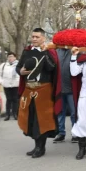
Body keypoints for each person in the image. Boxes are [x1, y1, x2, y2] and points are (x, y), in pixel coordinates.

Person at [16, 28, 62, 158]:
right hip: (28, 90)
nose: (34, 39)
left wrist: (45, 52)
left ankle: (40, 148)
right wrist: (20, 72)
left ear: (43, 38)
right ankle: (37, 146)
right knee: (31, 119)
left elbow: (51, 68)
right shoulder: (27, 52)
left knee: (41, 120)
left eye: (37, 37)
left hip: (44, 90)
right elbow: (19, 67)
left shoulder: (50, 52)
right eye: (33, 37)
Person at [53, 48, 77, 143]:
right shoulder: (57, 51)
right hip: (59, 88)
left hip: (72, 88)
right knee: (60, 112)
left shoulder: (75, 50)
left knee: (74, 112)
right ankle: (61, 133)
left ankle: (75, 134)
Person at [0, 52, 20, 121]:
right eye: (9, 56)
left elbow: (21, 74)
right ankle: (7, 115)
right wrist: (1, 82)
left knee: (15, 99)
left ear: (15, 57)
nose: (10, 58)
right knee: (8, 99)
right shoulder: (3, 65)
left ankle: (15, 114)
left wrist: (19, 82)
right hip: (6, 85)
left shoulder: (18, 64)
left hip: (16, 85)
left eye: (12, 56)